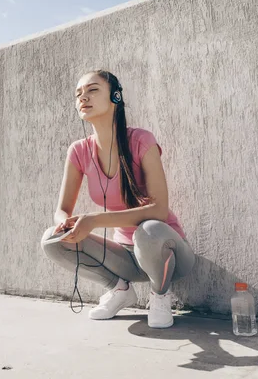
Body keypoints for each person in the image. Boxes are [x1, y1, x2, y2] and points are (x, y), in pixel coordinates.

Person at [40, 69, 196, 328]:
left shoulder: (140, 140)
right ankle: (119, 290)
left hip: (166, 252)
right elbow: (62, 210)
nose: (83, 98)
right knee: (51, 240)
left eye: (92, 90)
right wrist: (64, 225)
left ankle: (160, 295)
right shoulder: (78, 151)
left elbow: (159, 210)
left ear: (115, 96)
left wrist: (94, 219)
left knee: (150, 229)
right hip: (124, 258)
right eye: (78, 94)